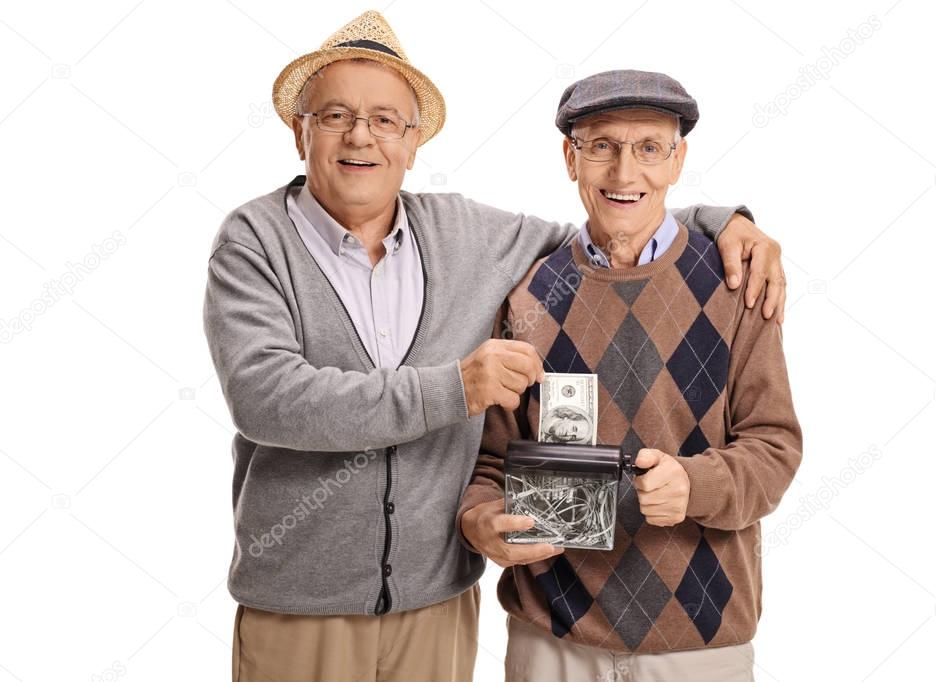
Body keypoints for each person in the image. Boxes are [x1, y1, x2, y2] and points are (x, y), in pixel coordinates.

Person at [202, 11, 789, 682]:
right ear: (297, 130)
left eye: (386, 119)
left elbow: (607, 230)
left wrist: (721, 223)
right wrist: (457, 388)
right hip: (300, 606)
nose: (360, 135)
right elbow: (267, 399)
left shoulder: (468, 234)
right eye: (334, 115)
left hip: (437, 602)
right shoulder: (253, 240)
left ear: (413, 140)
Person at [458, 70, 802, 682]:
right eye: (601, 147)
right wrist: (480, 517)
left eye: (649, 148)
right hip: (551, 639)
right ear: (571, 158)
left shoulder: (737, 285)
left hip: (700, 643)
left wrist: (694, 485)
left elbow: (775, 451)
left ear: (679, 160)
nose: (624, 173)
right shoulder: (528, 294)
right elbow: (492, 460)